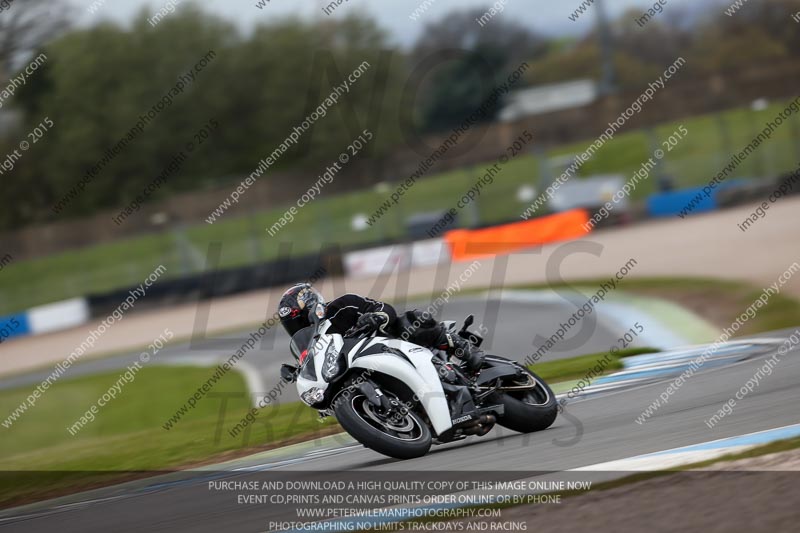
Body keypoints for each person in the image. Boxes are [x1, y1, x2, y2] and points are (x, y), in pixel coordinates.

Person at [277, 283, 483, 370]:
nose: (299, 326)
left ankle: (462, 347)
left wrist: (376, 317)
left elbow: (385, 308)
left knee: (408, 321)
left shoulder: (343, 306)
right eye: (293, 324)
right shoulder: (309, 348)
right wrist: (298, 373)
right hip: (364, 368)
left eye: (300, 319)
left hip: (392, 345)